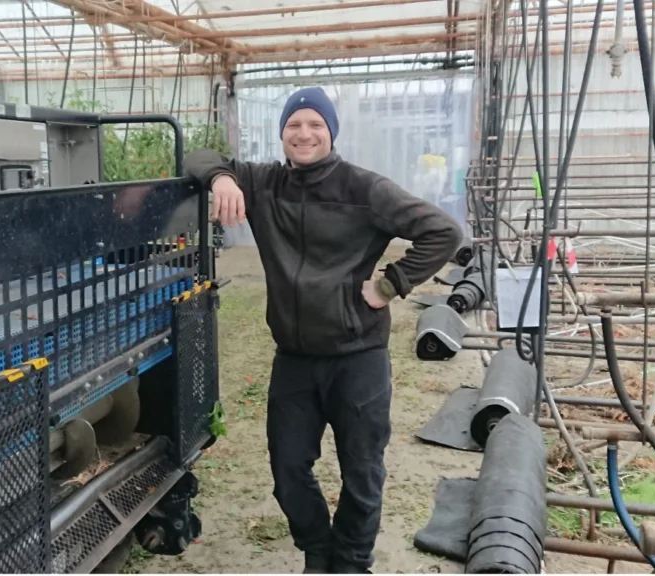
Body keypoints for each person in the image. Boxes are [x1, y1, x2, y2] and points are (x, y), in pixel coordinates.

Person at [185, 87, 463, 574]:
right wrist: (222, 178)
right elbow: (197, 155)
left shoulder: (364, 189)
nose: (304, 133)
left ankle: (352, 563)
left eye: (316, 124)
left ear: (331, 132)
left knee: (362, 470)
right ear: (282, 133)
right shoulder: (265, 182)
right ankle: (319, 552)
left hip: (359, 357)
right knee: (288, 469)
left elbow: (442, 231)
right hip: (294, 357)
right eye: (294, 124)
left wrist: (389, 285)